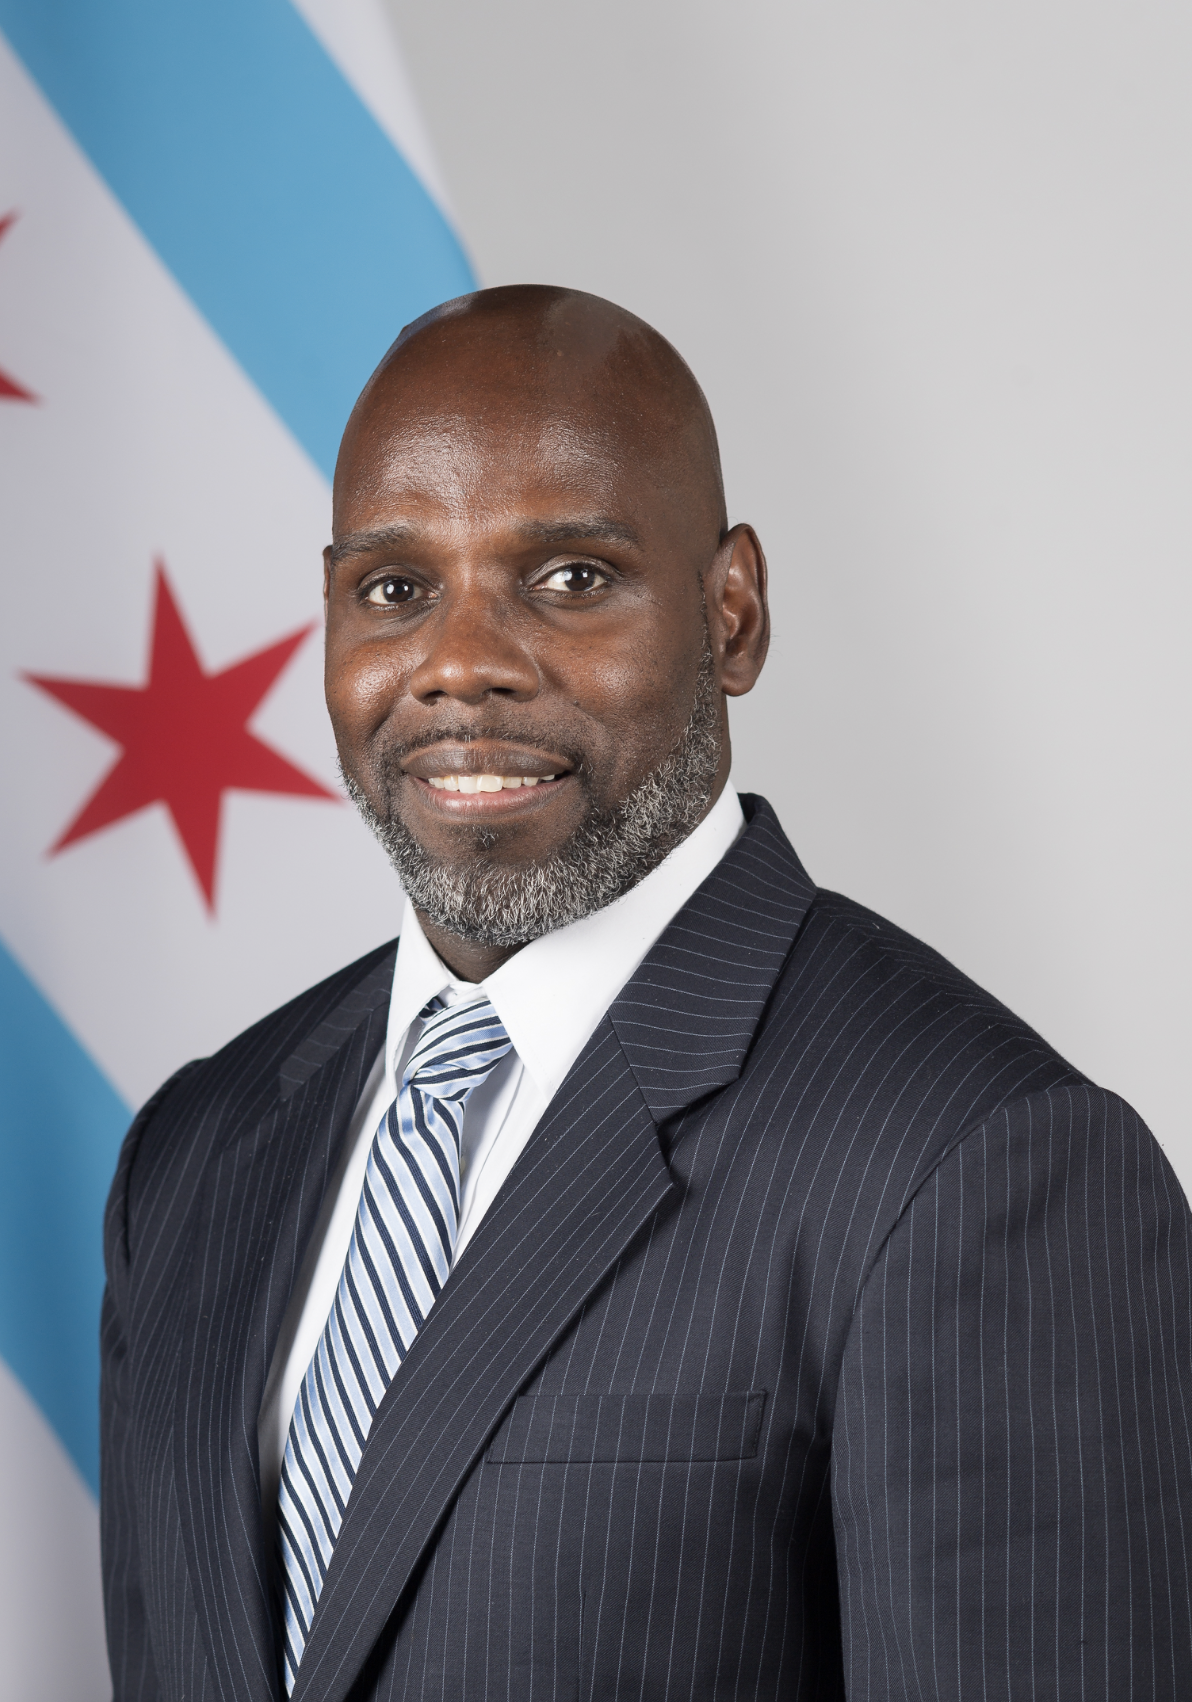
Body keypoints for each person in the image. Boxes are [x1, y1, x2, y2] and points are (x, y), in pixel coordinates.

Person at [100, 286, 1192, 1702]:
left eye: (568, 577)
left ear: (730, 615)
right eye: (395, 588)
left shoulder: (982, 1164)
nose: (457, 663)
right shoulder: (193, 1154)